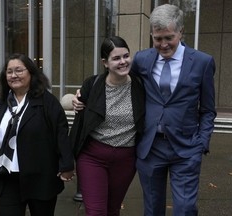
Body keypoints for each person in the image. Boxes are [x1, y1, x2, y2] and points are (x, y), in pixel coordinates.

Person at [73, 4, 216, 216]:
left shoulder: (203, 62)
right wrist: (82, 94)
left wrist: (201, 142)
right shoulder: (142, 59)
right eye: (158, 39)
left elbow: (207, 109)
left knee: (185, 208)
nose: (163, 44)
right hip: (151, 148)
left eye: (169, 37)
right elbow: (118, 77)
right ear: (151, 35)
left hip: (186, 148)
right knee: (152, 208)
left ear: (181, 32)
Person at [0, 53, 74, 216]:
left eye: (19, 70)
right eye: (9, 71)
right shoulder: (2, 103)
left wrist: (67, 165)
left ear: (31, 73)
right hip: (6, 177)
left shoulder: (47, 102)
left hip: (40, 176)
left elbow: (61, 134)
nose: (13, 75)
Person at [70, 36, 145, 216]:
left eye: (126, 56)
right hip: (92, 157)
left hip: (126, 160)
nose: (123, 62)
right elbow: (80, 123)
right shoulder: (92, 85)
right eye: (116, 58)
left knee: (112, 209)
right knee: (96, 211)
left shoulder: (141, 84)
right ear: (105, 62)